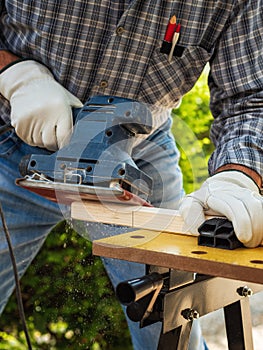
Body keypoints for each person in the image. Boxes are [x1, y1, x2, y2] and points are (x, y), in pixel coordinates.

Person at [0, 0, 262, 349]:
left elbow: (250, 99)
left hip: (139, 156)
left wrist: (237, 177)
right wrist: (14, 77)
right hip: (13, 145)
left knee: (169, 326)